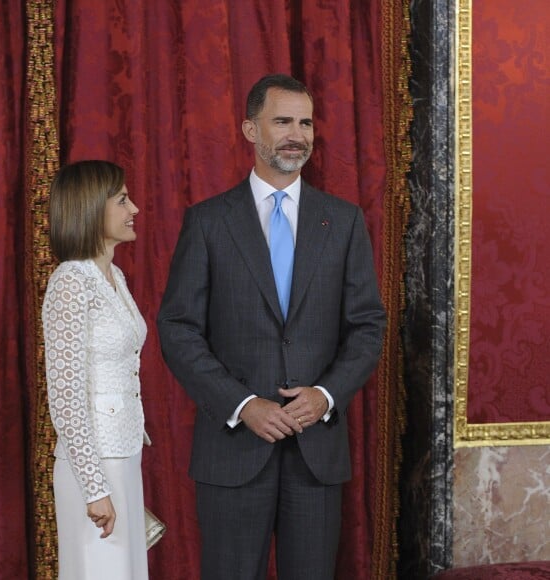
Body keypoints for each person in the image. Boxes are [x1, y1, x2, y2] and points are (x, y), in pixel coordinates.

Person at [157, 74, 386, 580]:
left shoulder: (344, 221)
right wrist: (243, 404)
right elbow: (177, 329)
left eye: (305, 122)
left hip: (316, 455)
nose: (297, 134)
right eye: (282, 121)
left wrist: (326, 395)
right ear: (249, 129)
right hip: (233, 450)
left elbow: (368, 325)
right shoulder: (208, 222)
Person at [42, 160, 149, 580]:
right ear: (91, 208)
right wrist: (95, 487)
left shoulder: (114, 276)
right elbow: (66, 395)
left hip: (123, 453)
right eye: (122, 199)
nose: (134, 208)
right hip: (94, 466)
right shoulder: (71, 281)